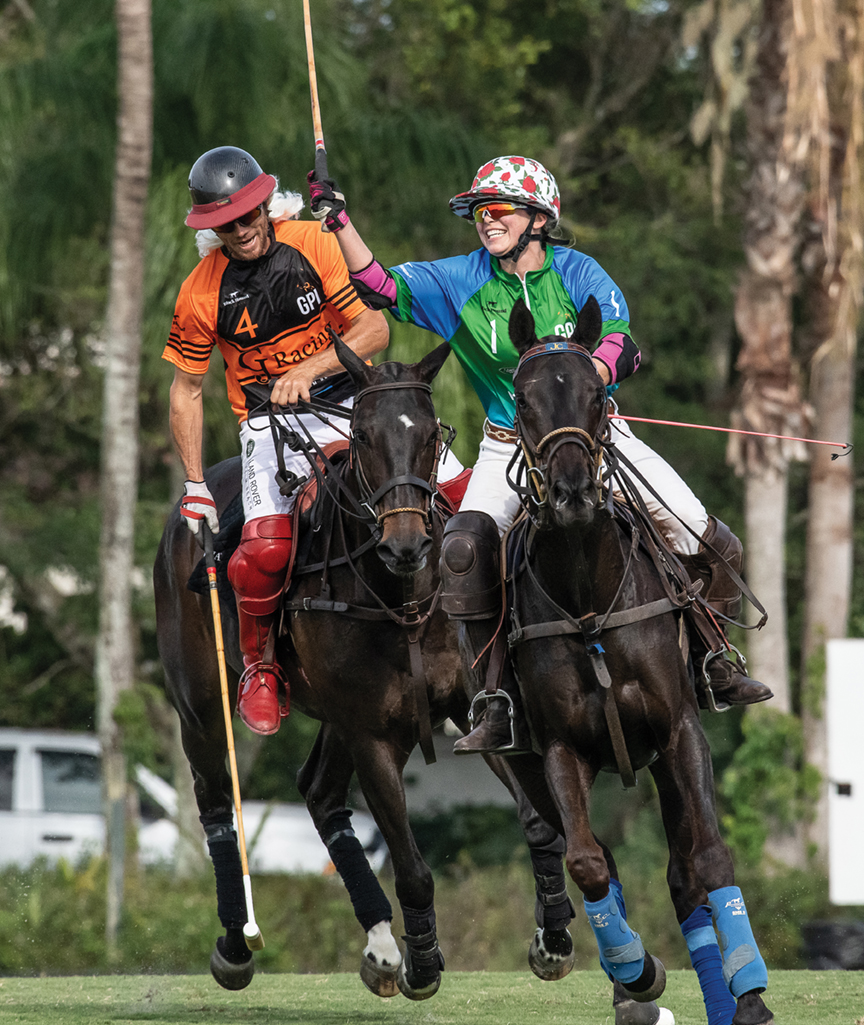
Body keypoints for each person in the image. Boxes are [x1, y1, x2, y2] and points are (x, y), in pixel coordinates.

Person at [308, 155, 772, 754]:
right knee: (461, 553)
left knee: (710, 538)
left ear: (538, 217)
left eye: (496, 209)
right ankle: (496, 697)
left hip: (594, 436)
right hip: (506, 443)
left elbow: (622, 342)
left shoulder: (580, 272)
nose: (484, 220)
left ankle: (715, 660)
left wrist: (581, 386)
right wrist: (337, 219)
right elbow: (377, 287)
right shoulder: (459, 280)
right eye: (477, 212)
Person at [163, 145, 391, 737]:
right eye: (224, 223)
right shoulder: (200, 292)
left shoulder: (313, 242)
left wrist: (310, 369)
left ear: (266, 203)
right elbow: (186, 390)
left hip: (345, 402)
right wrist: (194, 484)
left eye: (247, 215)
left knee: (448, 493)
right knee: (262, 551)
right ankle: (260, 669)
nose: (240, 230)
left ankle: (480, 629)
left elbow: (374, 328)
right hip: (268, 426)